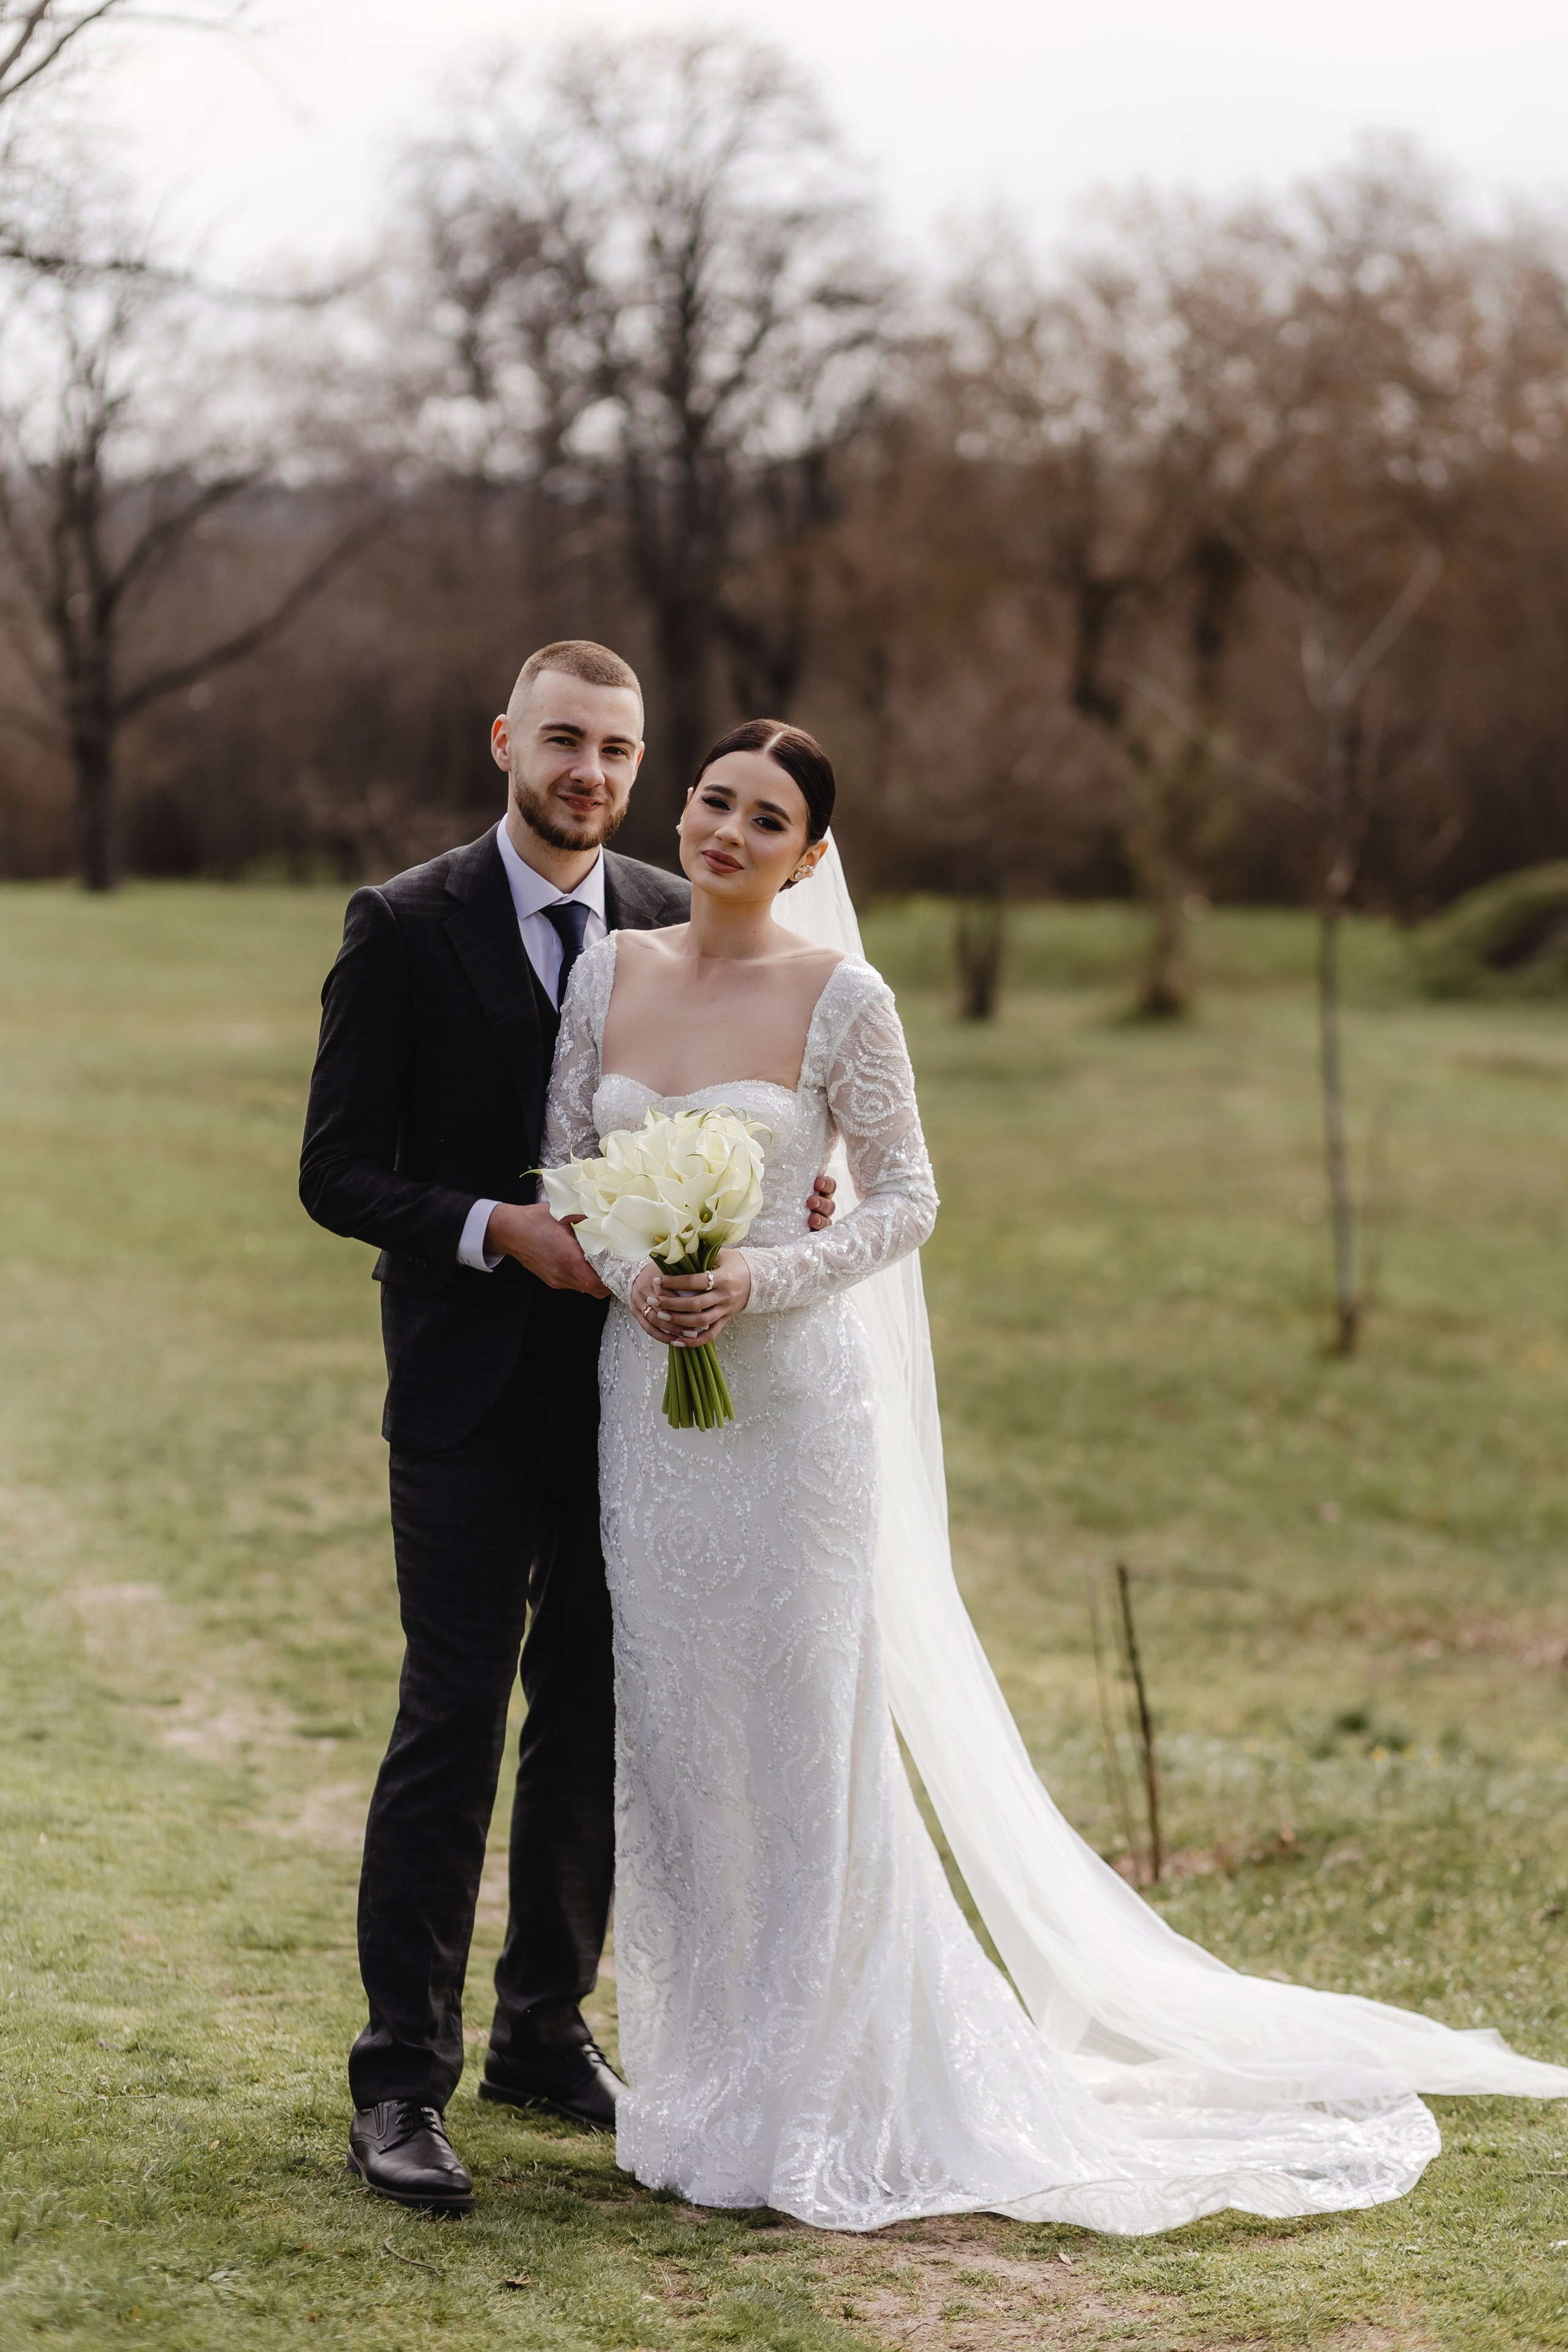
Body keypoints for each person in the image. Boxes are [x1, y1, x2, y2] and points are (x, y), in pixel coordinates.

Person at [540, 714, 1568, 2233]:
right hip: (652, 1406)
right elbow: (566, 1162)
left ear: (810, 856)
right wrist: (640, 1271)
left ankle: (820, 2086)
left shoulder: (844, 998)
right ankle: (699, 2086)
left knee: (806, 1732)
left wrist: (758, 1278)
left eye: (767, 820)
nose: (725, 832)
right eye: (711, 801)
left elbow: (906, 1201)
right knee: (682, 1741)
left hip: (795, 1408)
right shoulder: (605, 972)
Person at [298, 641, 839, 2213]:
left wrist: (786, 1183)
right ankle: (400, 2081)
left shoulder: (676, 916)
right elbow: (337, 1171)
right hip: (468, 1397)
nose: (589, 774)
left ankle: (546, 2025)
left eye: (615, 749)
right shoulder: (401, 929)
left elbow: (767, 1094)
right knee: (451, 1722)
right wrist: (489, 1227)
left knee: (596, 1714)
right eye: (562, 743)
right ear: (504, 744)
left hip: (644, 1404)